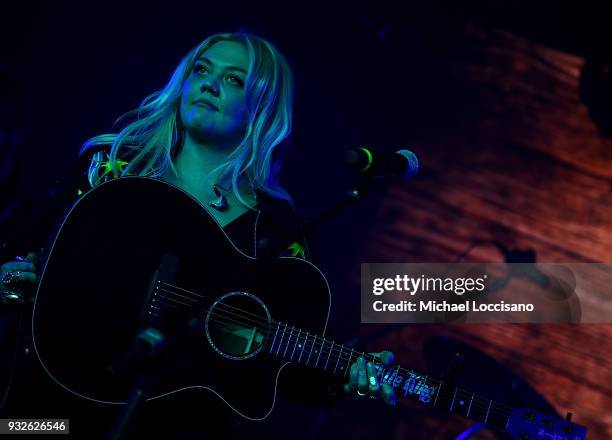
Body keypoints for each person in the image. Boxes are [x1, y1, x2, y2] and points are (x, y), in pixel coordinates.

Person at [0, 32, 396, 437]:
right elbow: (18, 250)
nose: (209, 83)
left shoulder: (277, 230)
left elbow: (278, 364)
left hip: (172, 426)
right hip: (46, 408)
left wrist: (347, 376)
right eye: (202, 70)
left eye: (234, 79)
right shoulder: (110, 166)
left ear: (262, 109)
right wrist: (10, 279)